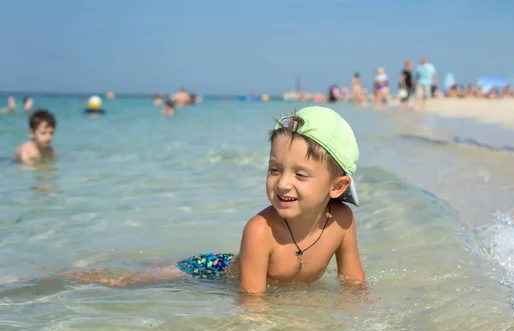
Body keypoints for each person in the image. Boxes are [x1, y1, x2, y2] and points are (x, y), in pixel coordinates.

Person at [61, 106, 366, 294]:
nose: (282, 183)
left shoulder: (341, 222)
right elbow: (252, 302)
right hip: (212, 271)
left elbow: (353, 284)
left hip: (231, 264)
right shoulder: (261, 231)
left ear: (337, 187)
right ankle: (64, 277)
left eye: (301, 175)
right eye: (275, 169)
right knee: (129, 281)